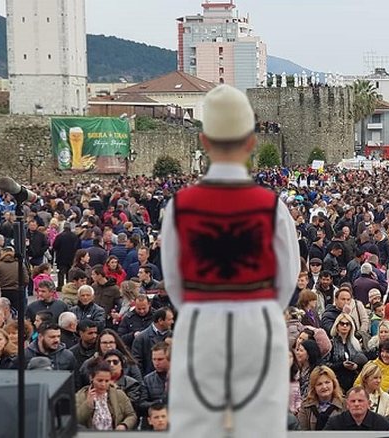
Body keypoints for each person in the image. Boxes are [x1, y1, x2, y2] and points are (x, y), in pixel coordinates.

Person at [161, 85, 300, 438]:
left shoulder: (179, 205)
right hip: (259, 320)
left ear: (204, 142)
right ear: (251, 142)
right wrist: (257, 305)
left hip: (199, 320)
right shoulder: (273, 207)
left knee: (196, 426)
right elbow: (288, 278)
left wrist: (205, 304)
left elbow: (174, 281)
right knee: (261, 426)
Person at [75, 363, 138, 430]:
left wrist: (124, 425)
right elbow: (75, 420)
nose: (103, 384)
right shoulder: (80, 396)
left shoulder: (119, 394)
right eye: (100, 380)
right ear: (91, 378)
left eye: (107, 381)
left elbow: (131, 415)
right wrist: (88, 405)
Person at [296, 366, 345, 431]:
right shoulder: (305, 406)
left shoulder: (345, 404)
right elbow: (302, 433)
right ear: (314, 387)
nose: (324, 387)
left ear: (334, 383)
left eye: (327, 382)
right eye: (319, 384)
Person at [323, 386, 389, 430]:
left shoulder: (381, 423)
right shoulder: (334, 422)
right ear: (347, 404)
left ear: (369, 404)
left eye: (360, 401)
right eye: (353, 401)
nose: (356, 404)